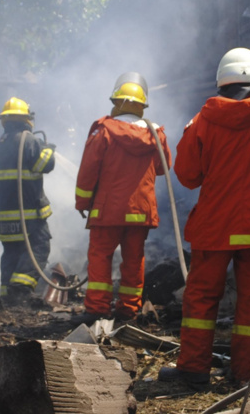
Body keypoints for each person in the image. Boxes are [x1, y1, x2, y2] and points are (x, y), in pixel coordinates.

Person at [159, 48, 250, 386]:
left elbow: (187, 174)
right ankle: (247, 377)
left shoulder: (203, 120)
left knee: (202, 297)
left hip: (216, 227)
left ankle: (193, 371)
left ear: (223, 82)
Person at [74, 73, 171, 322]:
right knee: (134, 260)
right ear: (142, 106)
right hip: (140, 211)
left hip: (108, 211)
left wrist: (82, 202)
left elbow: (88, 171)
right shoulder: (156, 134)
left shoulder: (104, 131)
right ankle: (128, 310)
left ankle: (97, 309)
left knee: (100, 257)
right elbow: (163, 168)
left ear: (116, 102)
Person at [0, 97, 56, 307]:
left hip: (6, 216)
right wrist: (48, 149)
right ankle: (20, 291)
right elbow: (45, 165)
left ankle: (6, 294)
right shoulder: (28, 141)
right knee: (39, 247)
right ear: (27, 119)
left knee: (12, 251)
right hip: (29, 215)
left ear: (4, 120)